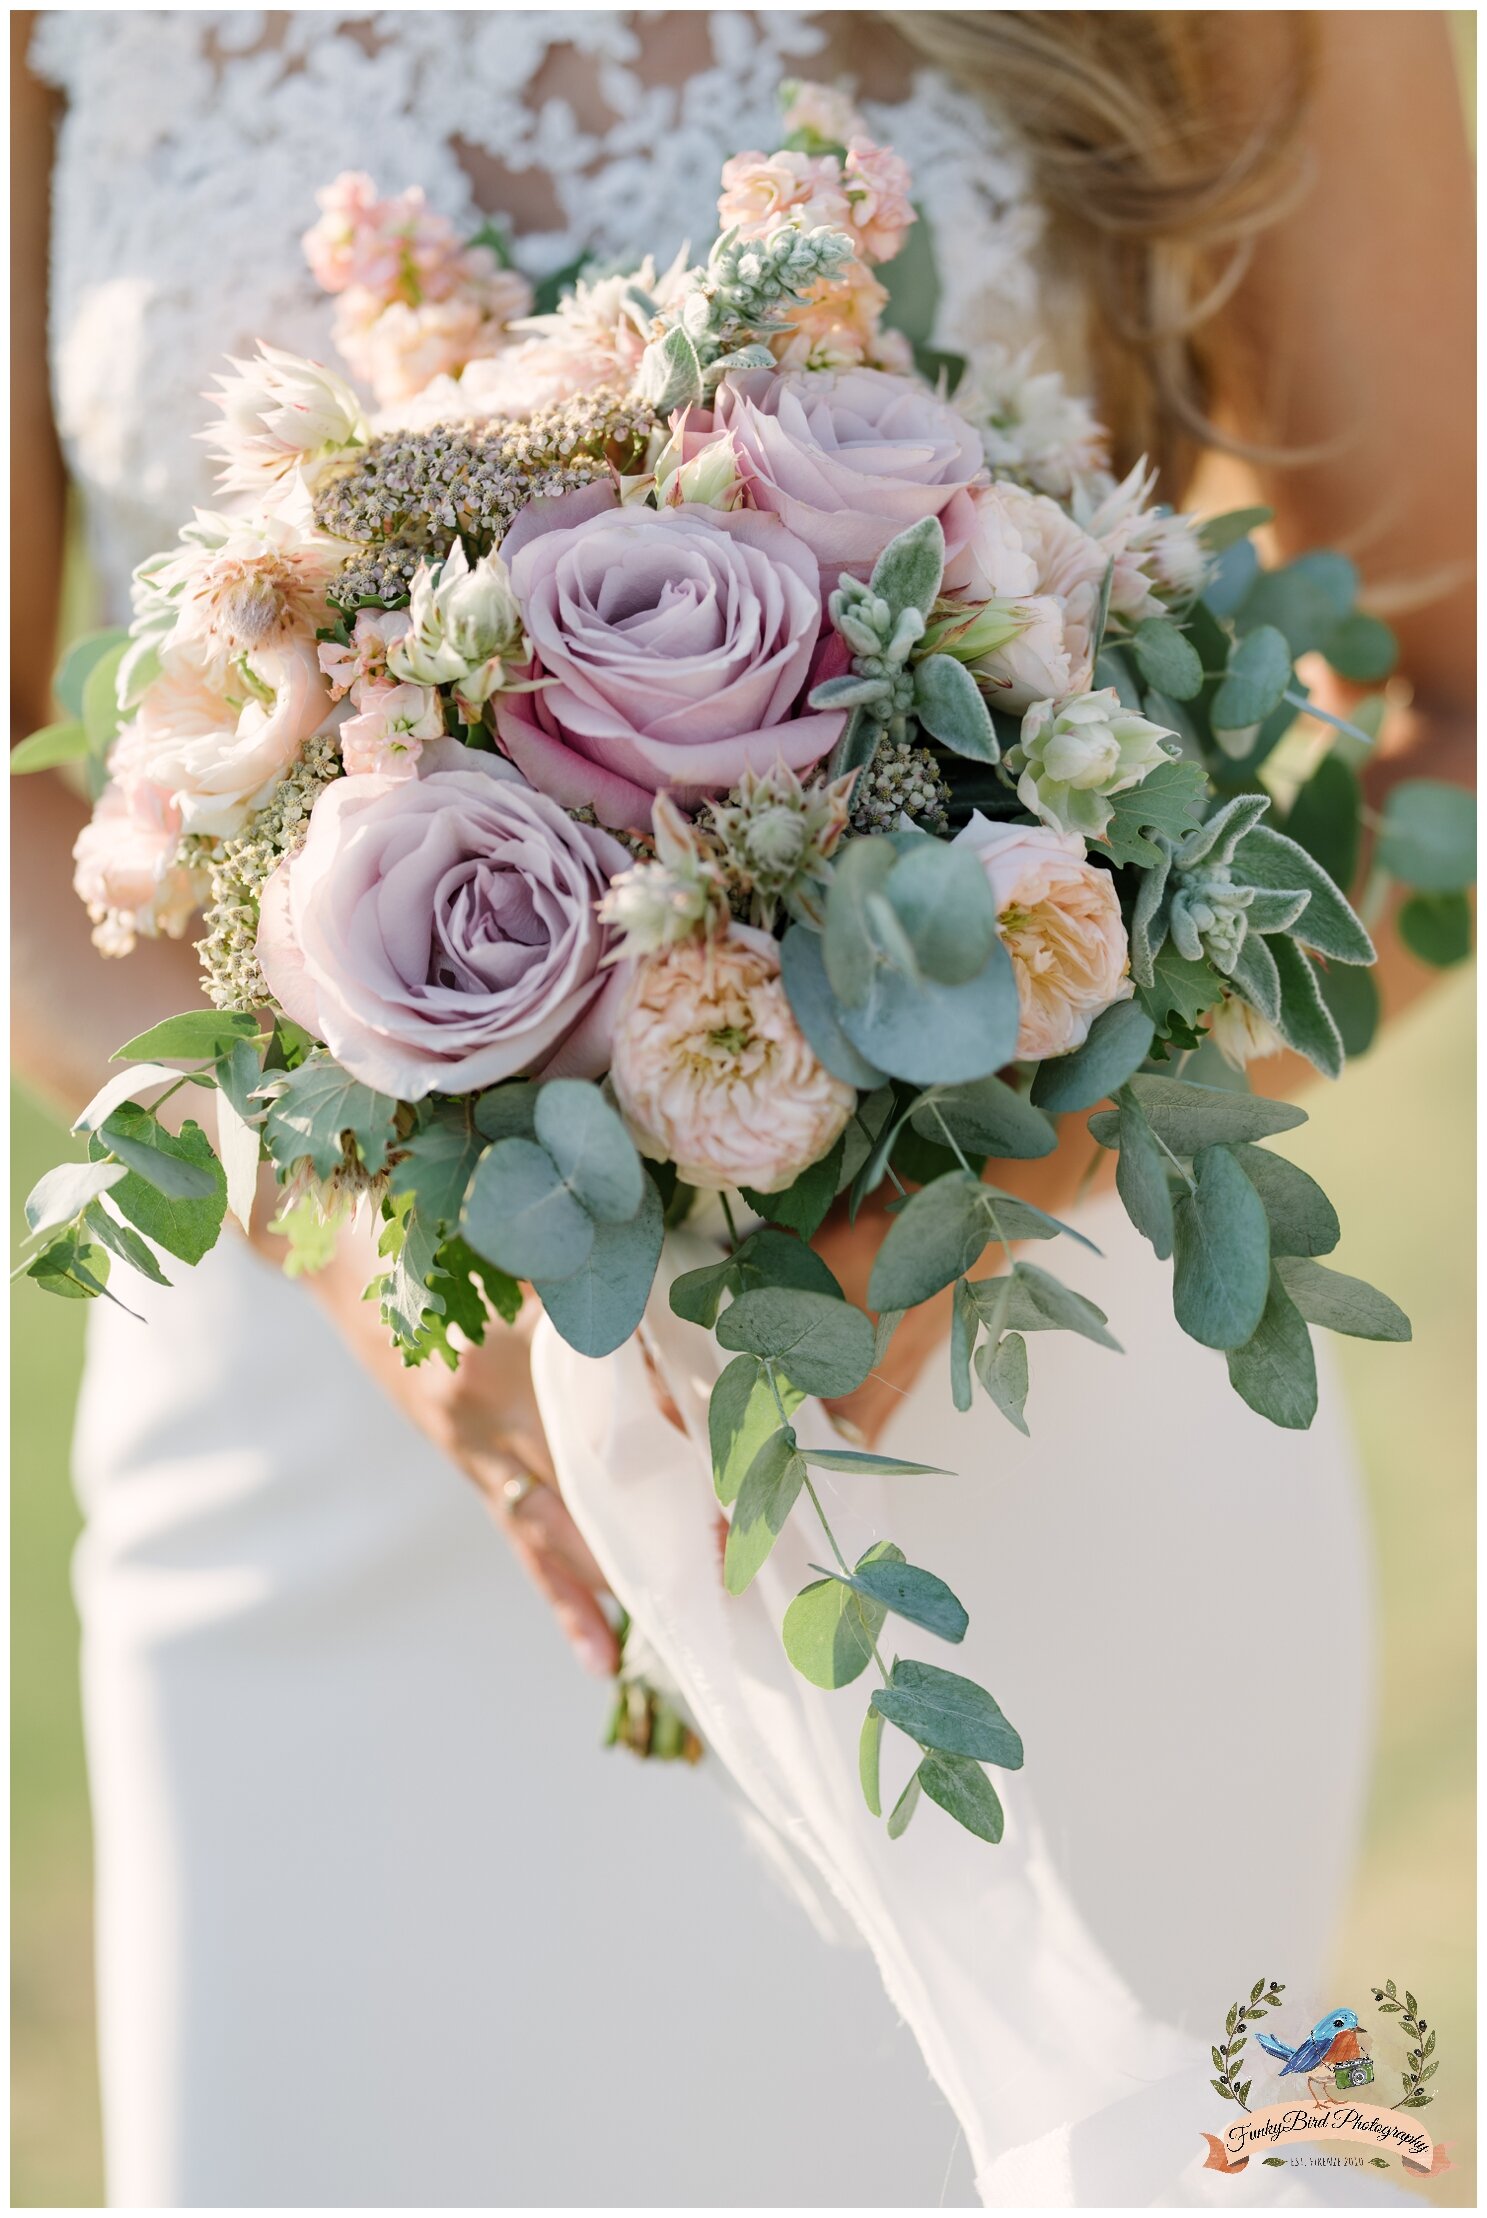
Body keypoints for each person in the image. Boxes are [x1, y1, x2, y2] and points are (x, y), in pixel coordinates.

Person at [11, 10, 1473, 2205]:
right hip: (324, 1468)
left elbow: (1456, 718)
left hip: (1014, 1421)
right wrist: (355, 1237)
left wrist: (1040, 1126)